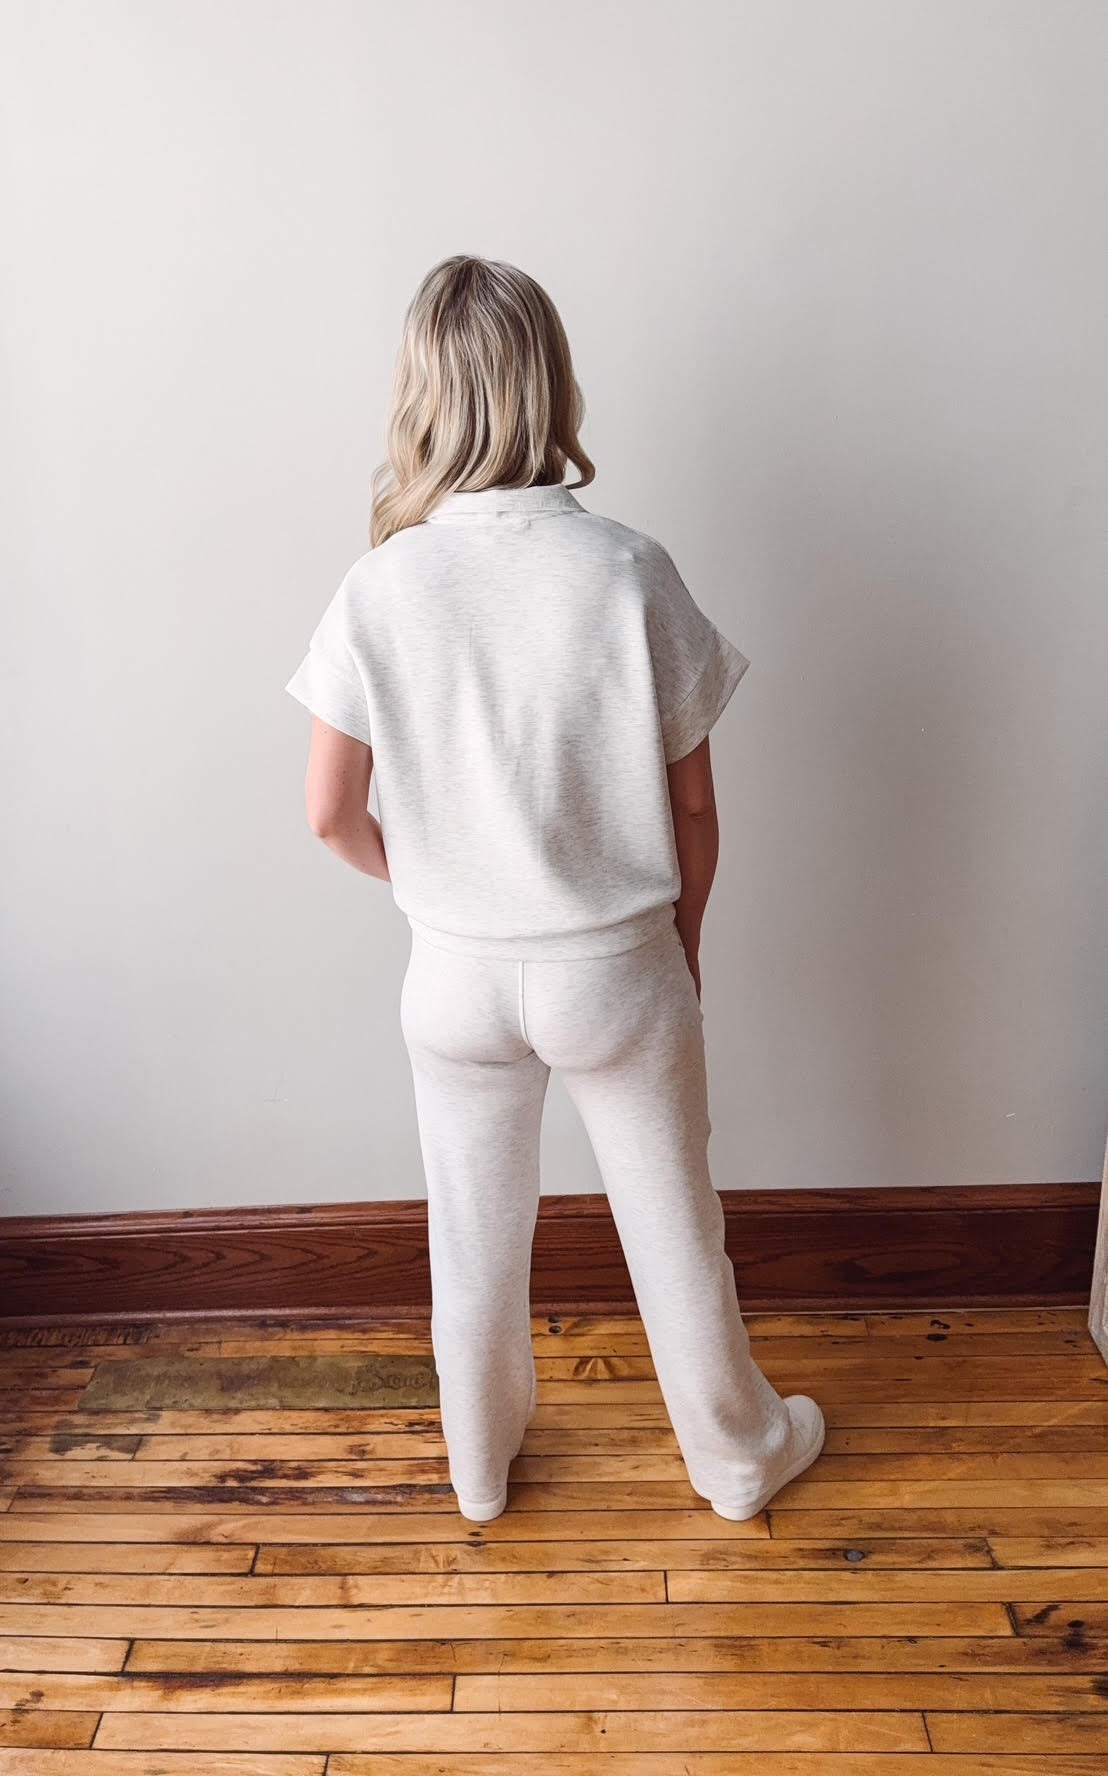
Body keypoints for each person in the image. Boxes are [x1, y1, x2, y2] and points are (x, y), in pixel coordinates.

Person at [285, 253, 825, 1524]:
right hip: (617, 969)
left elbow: (324, 813)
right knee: (675, 1229)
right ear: (550, 387)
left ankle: (478, 1472)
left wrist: (432, 891)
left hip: (453, 975)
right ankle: (739, 1458)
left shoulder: (382, 585)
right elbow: (692, 804)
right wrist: (683, 942)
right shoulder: (629, 572)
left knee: (472, 1246)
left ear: (421, 396)